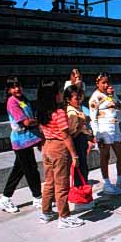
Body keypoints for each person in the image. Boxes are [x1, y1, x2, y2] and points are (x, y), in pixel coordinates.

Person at [37, 78, 84, 229]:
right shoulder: (59, 113)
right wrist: (74, 155)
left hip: (47, 147)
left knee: (49, 182)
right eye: (58, 92)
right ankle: (64, 216)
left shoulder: (42, 111)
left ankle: (46, 212)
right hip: (59, 148)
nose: (60, 94)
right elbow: (65, 136)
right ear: (54, 95)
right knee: (62, 184)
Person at [0, 76, 43, 213]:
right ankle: (37, 197)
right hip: (20, 141)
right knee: (30, 169)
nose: (17, 89)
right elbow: (26, 122)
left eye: (19, 85)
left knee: (20, 170)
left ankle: (5, 199)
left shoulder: (23, 99)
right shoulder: (12, 102)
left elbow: (30, 120)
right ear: (9, 90)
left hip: (28, 139)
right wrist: (39, 121)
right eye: (13, 87)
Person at [89, 72, 121, 195]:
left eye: (107, 82)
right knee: (105, 156)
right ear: (97, 83)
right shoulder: (95, 97)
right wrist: (97, 134)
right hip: (104, 129)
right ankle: (107, 183)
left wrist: (113, 97)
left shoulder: (111, 94)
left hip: (115, 127)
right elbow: (93, 118)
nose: (106, 85)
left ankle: (120, 178)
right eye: (103, 82)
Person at [64, 85, 94, 184]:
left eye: (80, 98)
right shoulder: (71, 112)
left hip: (82, 141)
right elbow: (72, 134)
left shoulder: (77, 109)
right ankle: (80, 193)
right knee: (81, 170)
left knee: (83, 168)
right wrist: (81, 124)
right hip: (77, 142)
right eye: (76, 99)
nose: (79, 101)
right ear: (68, 99)